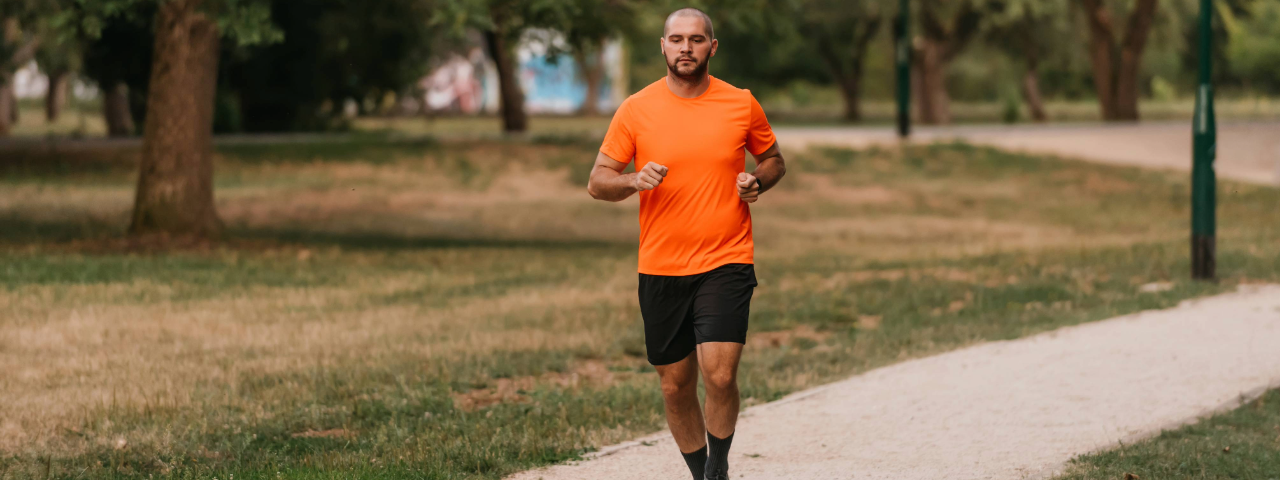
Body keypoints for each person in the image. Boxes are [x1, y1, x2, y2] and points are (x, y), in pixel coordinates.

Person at [585, 7, 786, 480]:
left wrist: (758, 182)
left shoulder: (741, 103)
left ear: (712, 48)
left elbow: (774, 158)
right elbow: (597, 182)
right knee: (676, 386)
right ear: (663, 46)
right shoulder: (636, 109)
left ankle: (718, 470)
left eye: (696, 40)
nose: (686, 48)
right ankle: (701, 475)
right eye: (676, 40)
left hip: (726, 258)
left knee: (720, 375)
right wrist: (634, 179)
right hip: (661, 265)